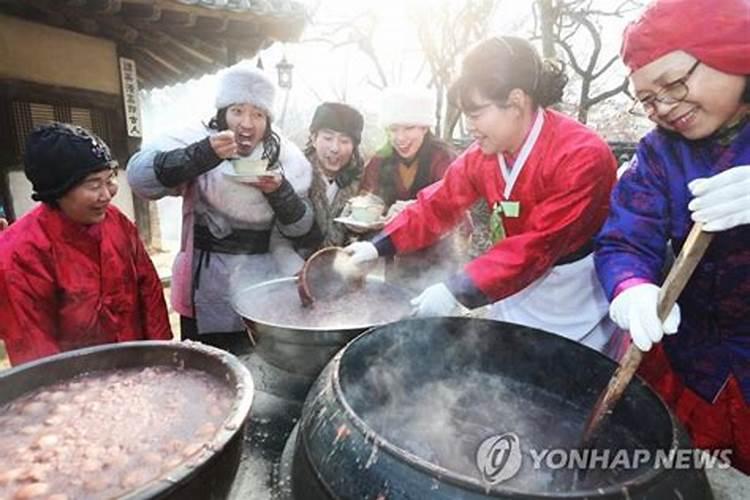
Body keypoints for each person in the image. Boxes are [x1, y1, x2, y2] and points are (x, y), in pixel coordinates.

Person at [347, 36, 618, 351]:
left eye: (476, 114)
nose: (469, 127)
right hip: (508, 284)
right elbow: (438, 203)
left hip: (573, 296)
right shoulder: (484, 155)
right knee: (507, 369)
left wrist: (457, 288)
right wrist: (375, 247)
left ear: (516, 102)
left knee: (564, 378)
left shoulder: (582, 155)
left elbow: (536, 245)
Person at [594, 0, 750, 472]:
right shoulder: (659, 153)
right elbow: (626, 236)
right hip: (691, 358)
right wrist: (631, 286)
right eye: (646, 98)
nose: (662, 106)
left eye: (675, 83)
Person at [127, 63, 317, 355]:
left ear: (268, 120)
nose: (247, 123)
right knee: (208, 372)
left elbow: (301, 227)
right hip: (204, 289)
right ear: (222, 112)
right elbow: (141, 180)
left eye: (258, 114)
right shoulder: (195, 139)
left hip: (263, 290)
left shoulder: (285, 156)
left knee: (259, 371)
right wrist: (204, 154)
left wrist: (279, 192)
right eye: (238, 110)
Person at [0, 123, 172, 365]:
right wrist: (68, 398)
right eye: (93, 185)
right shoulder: (20, 252)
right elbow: (33, 346)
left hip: (137, 368)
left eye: (109, 179)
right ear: (57, 190)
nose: (107, 193)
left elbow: (149, 292)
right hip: (78, 383)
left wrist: (161, 358)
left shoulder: (117, 222)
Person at [360, 86, 470, 291]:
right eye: (393, 129)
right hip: (396, 261)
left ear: (425, 127)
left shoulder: (444, 159)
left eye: (409, 128)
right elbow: (368, 202)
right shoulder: (379, 160)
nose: (400, 138)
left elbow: (456, 211)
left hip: (439, 263)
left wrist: (415, 209)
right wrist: (372, 217)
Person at [303, 102, 365, 251]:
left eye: (344, 141)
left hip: (345, 267)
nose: (335, 148)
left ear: (354, 146)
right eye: (328, 138)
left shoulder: (364, 180)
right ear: (313, 138)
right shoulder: (296, 173)